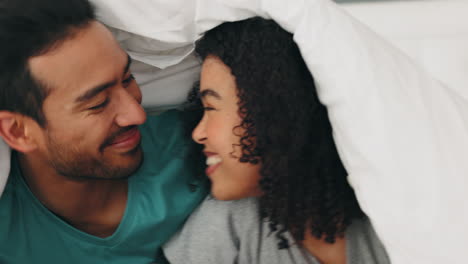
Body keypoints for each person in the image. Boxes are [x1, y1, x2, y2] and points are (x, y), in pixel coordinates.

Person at [164, 18, 390, 264]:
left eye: (211, 107)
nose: (198, 133)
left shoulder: (391, 217)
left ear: (274, 114)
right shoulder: (228, 222)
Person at [0, 0, 207, 263]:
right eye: (97, 104)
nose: (137, 114)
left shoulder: (196, 146)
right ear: (18, 132)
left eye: (128, 79)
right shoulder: (8, 236)